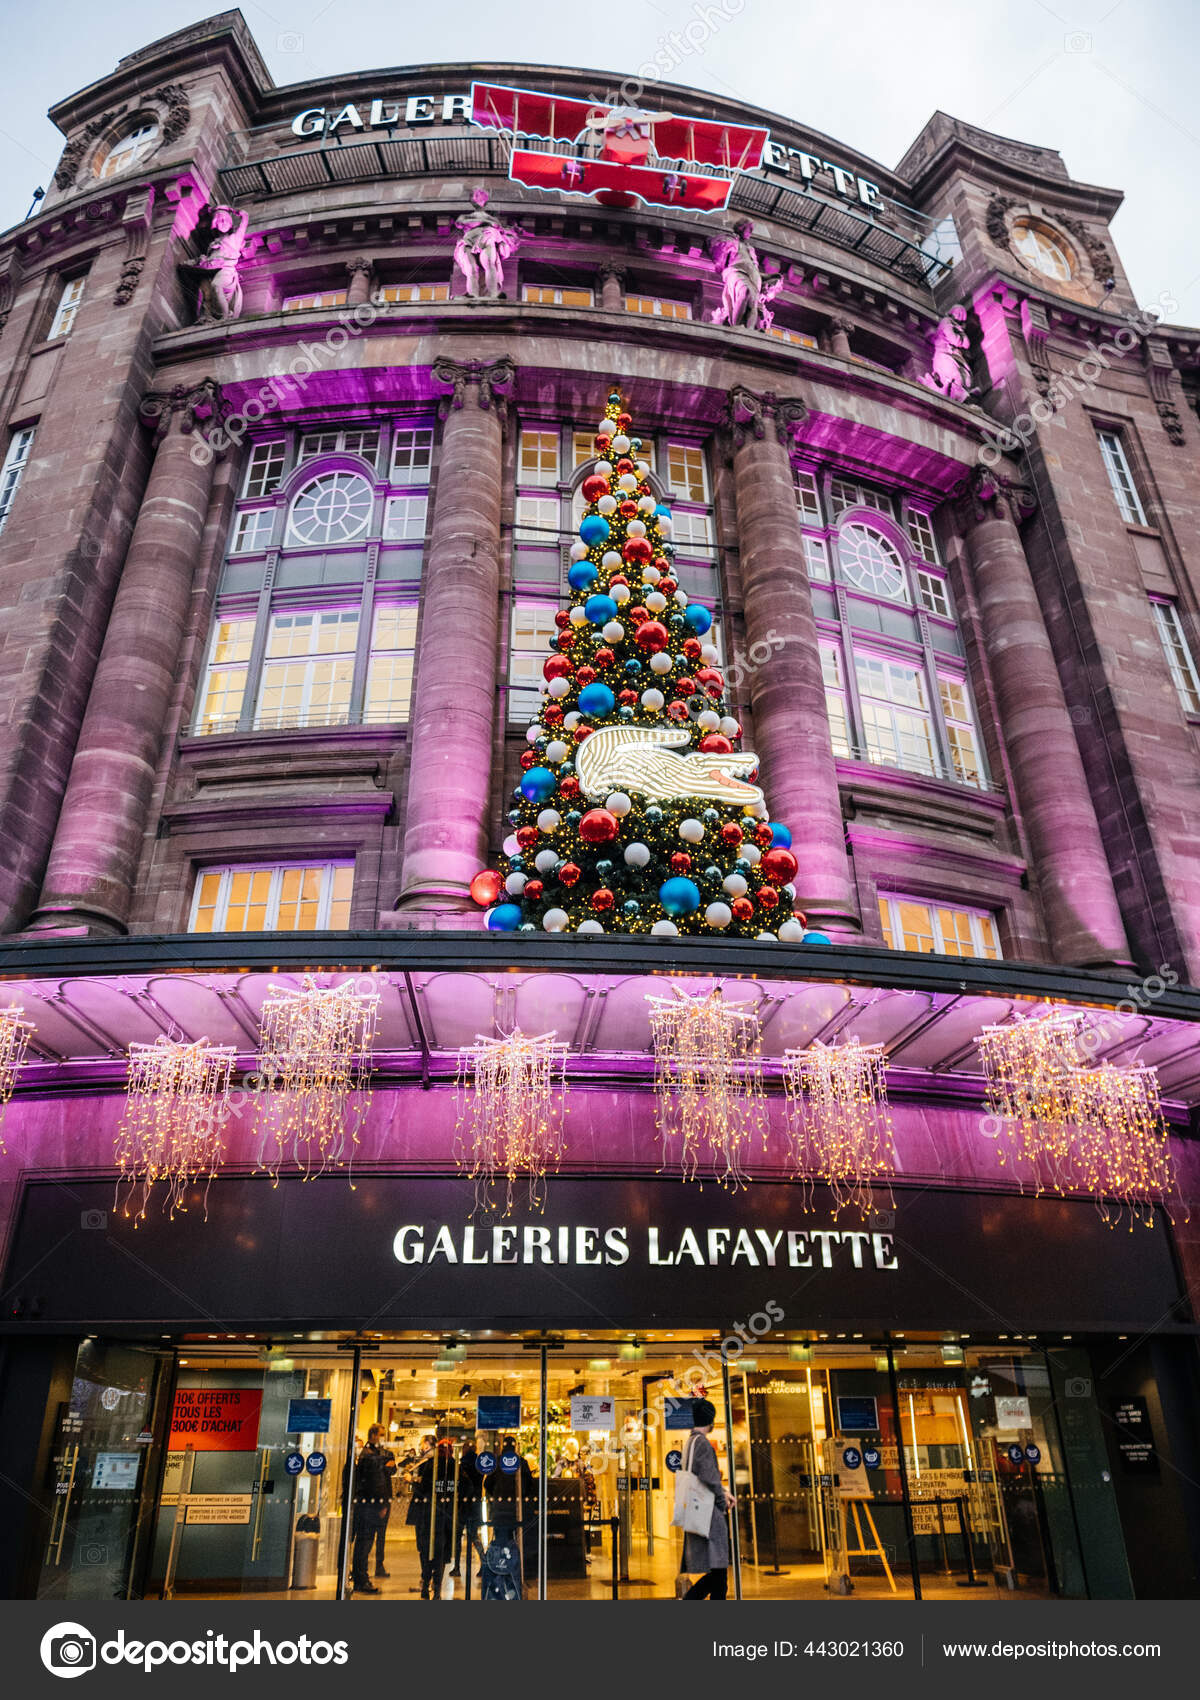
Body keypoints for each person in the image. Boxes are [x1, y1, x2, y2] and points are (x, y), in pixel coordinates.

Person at [679, 1399, 735, 1600]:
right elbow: (710, 1477)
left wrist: (722, 1491)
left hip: (698, 1512)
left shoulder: (690, 1442)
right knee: (718, 1577)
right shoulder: (702, 1443)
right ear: (710, 1420)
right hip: (709, 1515)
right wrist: (722, 1501)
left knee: (717, 1576)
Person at [409, 1437, 457, 1599]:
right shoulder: (453, 1465)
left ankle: (426, 1583)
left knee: (426, 1551)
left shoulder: (431, 1465)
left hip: (428, 1515)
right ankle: (436, 1588)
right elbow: (463, 1487)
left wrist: (414, 1481)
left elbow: (423, 1489)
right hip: (446, 1516)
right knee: (441, 1553)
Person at [350, 1424, 395, 1595]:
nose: (383, 1437)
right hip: (370, 1506)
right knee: (365, 1542)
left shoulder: (373, 1454)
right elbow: (376, 1483)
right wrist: (382, 1504)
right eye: (382, 1434)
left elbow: (390, 1469)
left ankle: (359, 1577)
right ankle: (361, 1579)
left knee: (364, 1542)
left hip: (366, 1505)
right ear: (374, 1435)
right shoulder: (370, 1456)